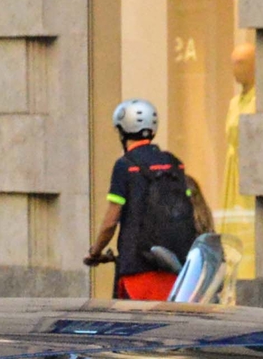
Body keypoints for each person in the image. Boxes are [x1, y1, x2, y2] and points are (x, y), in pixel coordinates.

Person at [84, 99, 200, 301]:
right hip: (175, 271)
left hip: (137, 271)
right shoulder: (174, 164)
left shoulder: (125, 166)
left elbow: (111, 221)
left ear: (122, 132)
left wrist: (95, 251)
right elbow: (193, 211)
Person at [219, 39, 256, 281]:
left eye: (240, 63)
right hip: (232, 171)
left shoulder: (259, 101)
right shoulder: (234, 103)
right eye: (233, 63)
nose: (235, 68)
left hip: (250, 172)